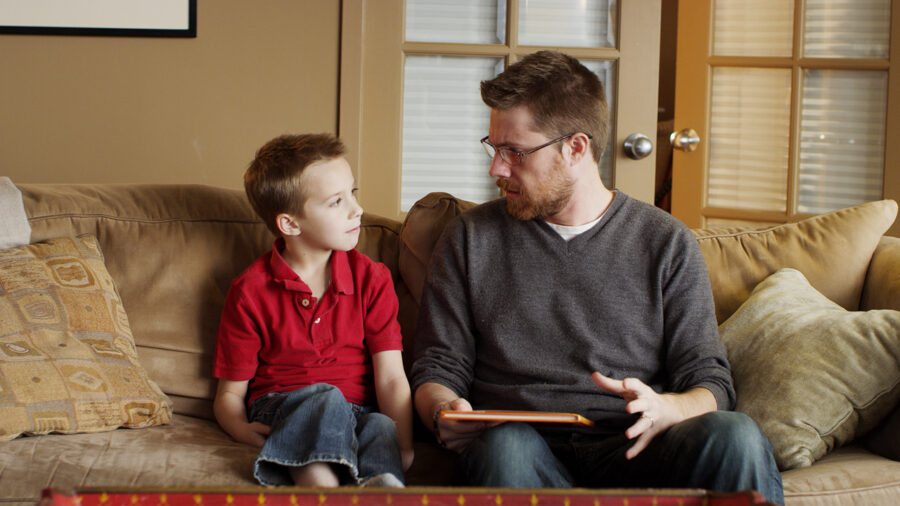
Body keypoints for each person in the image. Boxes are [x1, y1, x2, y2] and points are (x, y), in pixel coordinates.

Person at [410, 51, 783, 504]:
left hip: (637, 447)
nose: (497, 169)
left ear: (576, 148)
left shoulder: (665, 241)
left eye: (515, 152)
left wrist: (670, 407)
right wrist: (443, 411)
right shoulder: (471, 238)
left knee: (736, 435)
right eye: (493, 148)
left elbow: (710, 380)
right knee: (505, 448)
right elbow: (438, 367)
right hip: (520, 447)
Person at [213, 133, 414, 487]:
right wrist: (241, 429)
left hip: (358, 410)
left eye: (353, 192)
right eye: (337, 201)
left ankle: (381, 486)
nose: (357, 209)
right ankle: (318, 486)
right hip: (284, 407)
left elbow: (392, 377)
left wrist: (406, 445)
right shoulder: (249, 291)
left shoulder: (372, 278)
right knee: (325, 398)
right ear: (290, 224)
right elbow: (229, 394)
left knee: (382, 425)